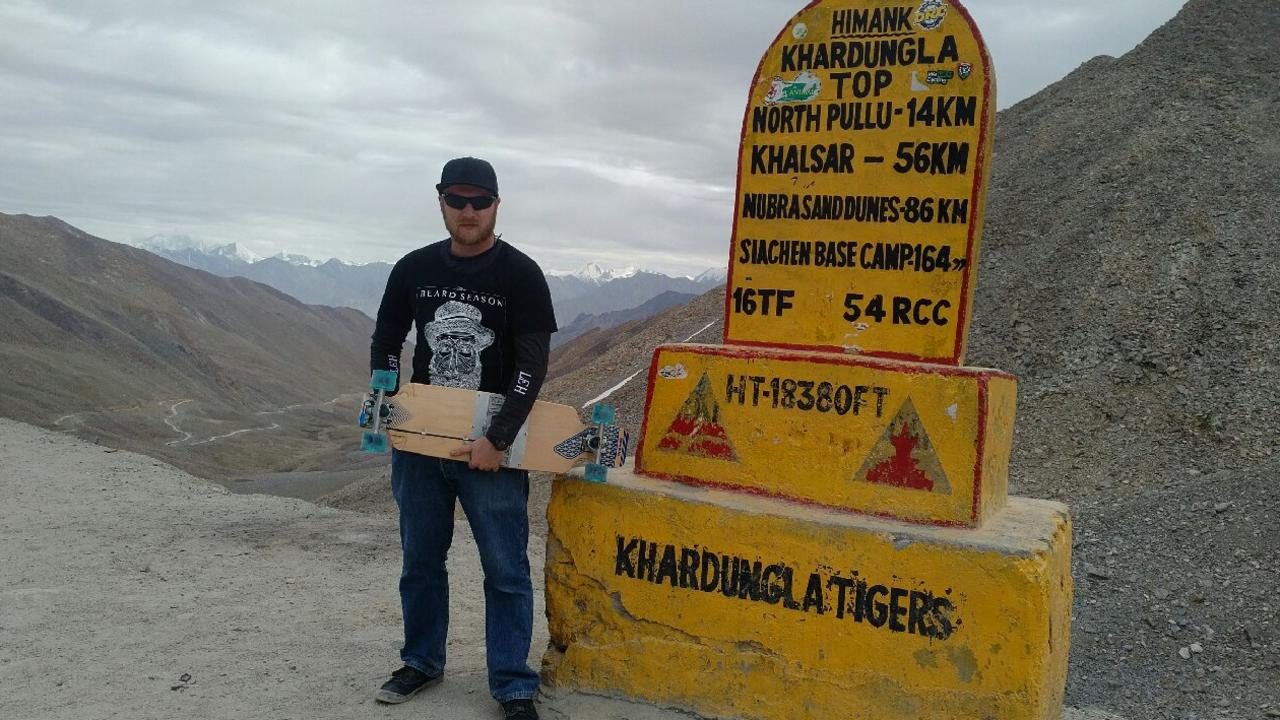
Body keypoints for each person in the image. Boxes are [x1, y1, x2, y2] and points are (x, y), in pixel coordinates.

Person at [369, 157, 556, 720]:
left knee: (505, 568)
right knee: (420, 559)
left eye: (479, 200)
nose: (468, 211)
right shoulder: (413, 268)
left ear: (498, 204)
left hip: (491, 451)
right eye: (457, 200)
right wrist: (389, 410)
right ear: (441, 203)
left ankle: (512, 683)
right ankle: (421, 662)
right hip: (421, 445)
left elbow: (531, 364)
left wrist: (497, 441)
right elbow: (386, 339)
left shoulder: (520, 274)